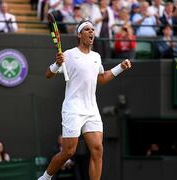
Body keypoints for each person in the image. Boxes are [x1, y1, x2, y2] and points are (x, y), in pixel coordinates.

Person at [38, 20, 132, 180]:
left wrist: (120, 67)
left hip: (91, 110)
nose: (91, 32)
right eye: (87, 29)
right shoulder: (68, 54)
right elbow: (48, 74)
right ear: (79, 34)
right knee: (68, 151)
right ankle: (45, 178)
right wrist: (56, 64)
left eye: (93, 30)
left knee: (97, 150)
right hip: (73, 108)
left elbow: (101, 79)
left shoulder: (96, 56)